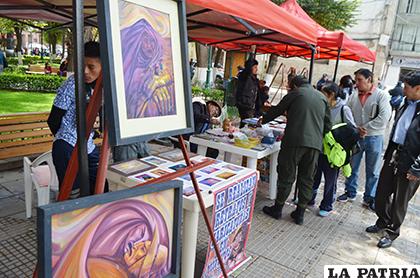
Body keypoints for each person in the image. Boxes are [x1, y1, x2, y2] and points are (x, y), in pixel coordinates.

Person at [261, 75, 332, 225]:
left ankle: (278, 209)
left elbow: (277, 110)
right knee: (307, 177)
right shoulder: (322, 97)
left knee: (287, 174)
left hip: (294, 141)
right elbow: (328, 125)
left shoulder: (296, 93)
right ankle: (299, 214)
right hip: (314, 145)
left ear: (294, 86)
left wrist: (262, 120)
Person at [365, 71, 420, 248]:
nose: (403, 90)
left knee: (400, 199)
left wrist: (416, 169)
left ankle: (392, 231)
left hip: (411, 160)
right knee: (381, 192)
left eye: (406, 87)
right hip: (394, 153)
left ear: (418, 89)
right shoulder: (405, 103)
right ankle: (382, 220)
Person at [47, 41, 106, 198]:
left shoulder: (102, 87)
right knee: (73, 195)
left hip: (89, 147)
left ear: (103, 67)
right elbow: (53, 120)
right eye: (83, 65)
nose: (85, 71)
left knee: (101, 187)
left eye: (92, 67)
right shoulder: (71, 85)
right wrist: (67, 139)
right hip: (66, 148)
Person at [337, 69, 392, 210]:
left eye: (360, 80)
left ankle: (369, 197)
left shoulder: (381, 95)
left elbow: (384, 117)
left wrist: (365, 127)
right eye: (356, 80)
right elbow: (347, 114)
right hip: (356, 136)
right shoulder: (353, 96)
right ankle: (350, 192)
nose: (356, 83)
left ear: (369, 79)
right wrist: (355, 128)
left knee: (373, 169)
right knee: (352, 166)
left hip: (374, 137)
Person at [309, 82, 356, 217]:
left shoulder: (343, 109)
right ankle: (310, 198)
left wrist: (337, 136)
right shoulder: (322, 106)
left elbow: (351, 130)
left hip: (333, 153)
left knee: (330, 180)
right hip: (319, 148)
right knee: (314, 176)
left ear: (332, 95)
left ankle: (327, 205)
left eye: (323, 94)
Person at [235, 59, 259, 126]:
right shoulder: (245, 77)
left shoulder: (252, 77)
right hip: (245, 105)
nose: (257, 69)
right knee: (247, 125)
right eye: (255, 67)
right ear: (250, 67)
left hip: (249, 105)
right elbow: (241, 92)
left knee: (246, 124)